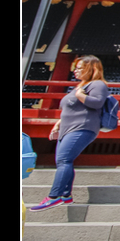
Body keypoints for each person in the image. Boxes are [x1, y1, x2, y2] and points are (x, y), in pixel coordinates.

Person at [30, 56, 110, 210]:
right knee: (63, 161)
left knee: (64, 160)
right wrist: (58, 124)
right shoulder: (81, 85)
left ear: (91, 68)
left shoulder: (98, 84)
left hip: (82, 127)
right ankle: (66, 196)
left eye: (79, 68)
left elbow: (97, 102)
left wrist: (80, 95)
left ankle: (54, 196)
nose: (75, 71)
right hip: (67, 127)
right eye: (76, 67)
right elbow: (70, 109)